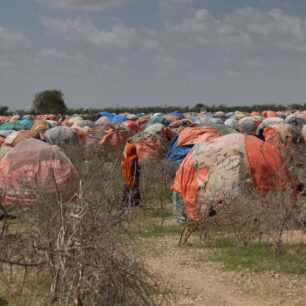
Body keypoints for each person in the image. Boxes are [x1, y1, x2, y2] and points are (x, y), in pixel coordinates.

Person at [122, 143, 141, 207]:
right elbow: (135, 167)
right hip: (133, 177)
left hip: (126, 178)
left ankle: (126, 203)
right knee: (135, 190)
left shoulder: (126, 159)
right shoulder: (134, 158)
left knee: (127, 190)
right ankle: (137, 203)